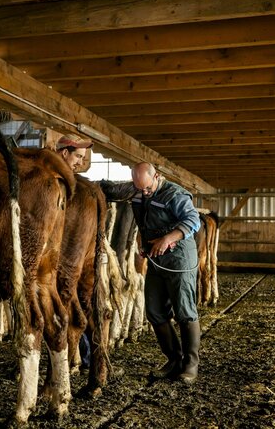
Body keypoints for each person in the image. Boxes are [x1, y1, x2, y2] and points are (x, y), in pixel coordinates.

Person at [100, 162, 201, 384]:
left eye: (147, 188)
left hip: (179, 257)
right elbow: (112, 190)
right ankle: (174, 360)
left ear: (157, 176)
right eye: (139, 189)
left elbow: (193, 221)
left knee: (184, 310)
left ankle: (190, 365)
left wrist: (168, 238)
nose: (144, 193)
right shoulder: (137, 190)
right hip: (155, 258)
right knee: (155, 311)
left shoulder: (174, 194)